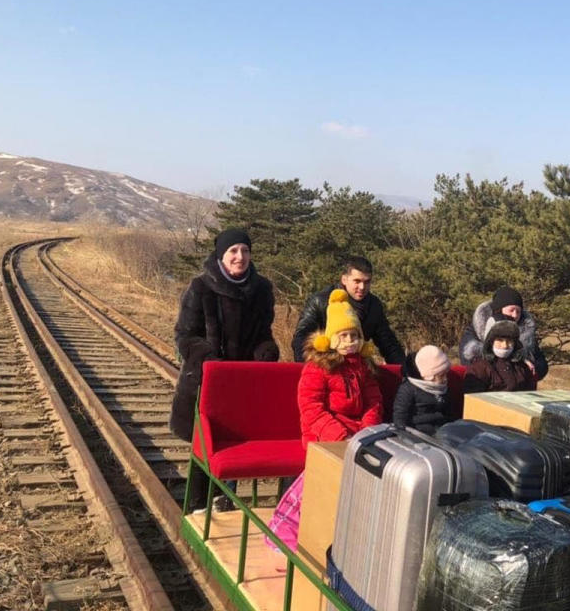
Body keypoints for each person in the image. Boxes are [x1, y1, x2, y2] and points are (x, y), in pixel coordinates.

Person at [170, 228, 279, 512]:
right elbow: (184, 335)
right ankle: (196, 506)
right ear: (221, 255)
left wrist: (266, 351)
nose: (239, 257)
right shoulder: (201, 287)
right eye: (233, 251)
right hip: (207, 379)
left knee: (234, 444)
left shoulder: (262, 289)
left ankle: (224, 502)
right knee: (204, 442)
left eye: (244, 250)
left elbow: (262, 334)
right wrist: (209, 358)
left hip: (243, 382)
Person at [267, 289, 383, 552]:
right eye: (344, 336)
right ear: (331, 339)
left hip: (358, 435)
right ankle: (292, 529)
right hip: (324, 435)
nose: (350, 342)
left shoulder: (363, 366)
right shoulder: (318, 367)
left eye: (354, 336)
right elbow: (311, 408)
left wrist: (366, 431)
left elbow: (374, 400)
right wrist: (340, 435)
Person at [291, 256, 405, 365]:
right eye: (357, 281)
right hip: (325, 367)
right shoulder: (319, 301)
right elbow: (301, 338)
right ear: (344, 279)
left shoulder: (374, 306)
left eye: (367, 282)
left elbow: (389, 344)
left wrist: (405, 373)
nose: (362, 287)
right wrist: (309, 369)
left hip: (357, 369)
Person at [459, 286, 547, 380]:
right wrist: (516, 361)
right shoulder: (475, 330)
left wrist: (529, 368)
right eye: (511, 310)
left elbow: (542, 365)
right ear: (499, 309)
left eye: (518, 311)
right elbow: (467, 359)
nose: (515, 315)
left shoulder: (526, 334)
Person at [463, 319, 537, 394]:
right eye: (500, 340)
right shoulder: (480, 367)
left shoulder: (522, 366)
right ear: (491, 342)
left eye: (509, 341)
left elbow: (530, 394)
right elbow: (473, 399)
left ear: (515, 343)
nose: (504, 345)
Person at [392, 345, 450, 435]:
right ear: (429, 375)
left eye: (446, 374)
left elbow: (449, 413)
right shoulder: (408, 389)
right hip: (419, 435)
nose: (445, 379)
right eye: (441, 375)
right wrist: (405, 436)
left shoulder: (442, 387)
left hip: (442, 432)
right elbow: (400, 417)